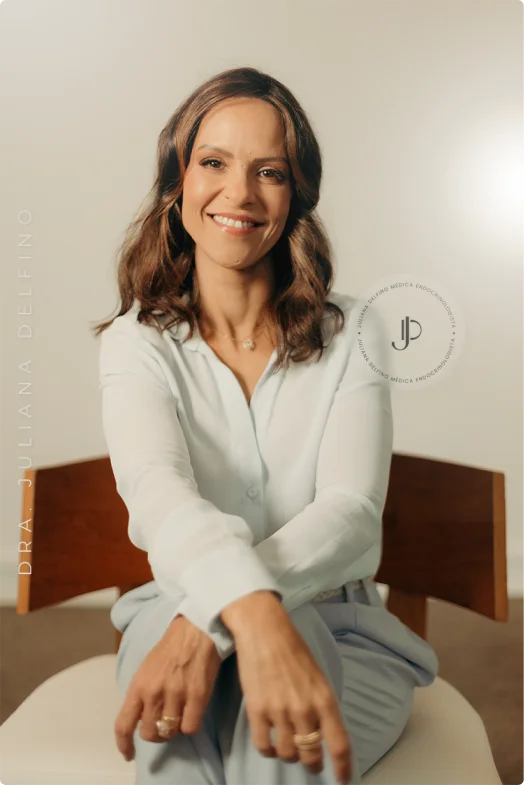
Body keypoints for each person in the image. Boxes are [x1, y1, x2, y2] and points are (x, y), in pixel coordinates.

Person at [95, 66, 439, 785]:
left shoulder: (355, 333)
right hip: (169, 620)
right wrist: (245, 616)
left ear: (297, 194)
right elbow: (160, 495)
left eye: (270, 171)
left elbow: (351, 514)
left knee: (276, 737)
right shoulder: (136, 343)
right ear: (177, 183)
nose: (240, 194)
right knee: (182, 752)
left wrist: (215, 618)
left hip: (341, 628)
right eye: (213, 163)